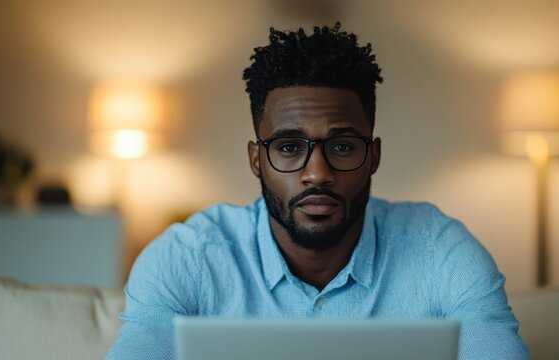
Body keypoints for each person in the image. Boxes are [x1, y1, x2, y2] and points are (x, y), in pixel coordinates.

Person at [107, 23, 530, 359]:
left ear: (374, 156)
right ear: (257, 159)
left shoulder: (440, 250)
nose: (317, 173)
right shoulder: (187, 256)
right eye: (290, 147)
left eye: (342, 146)